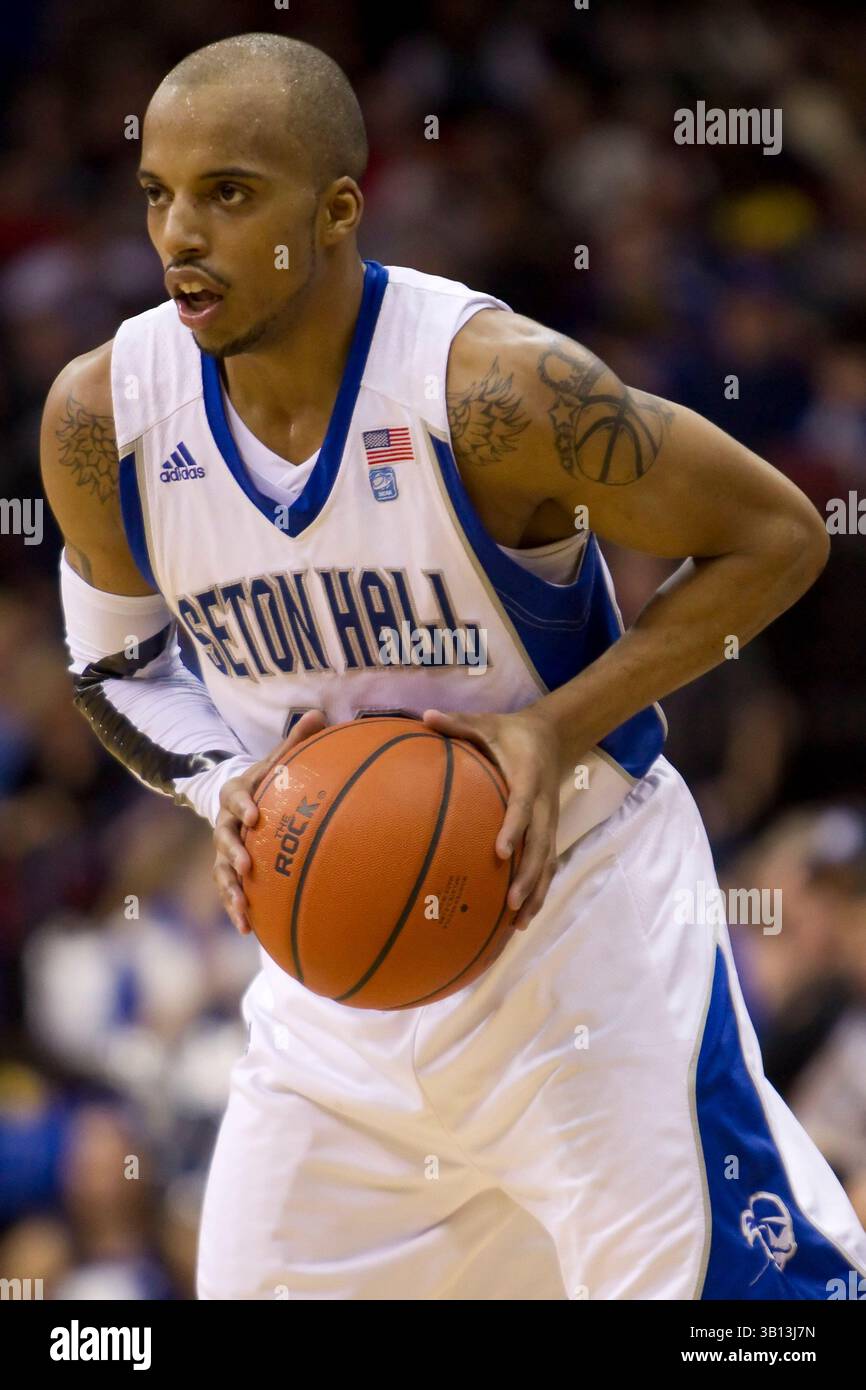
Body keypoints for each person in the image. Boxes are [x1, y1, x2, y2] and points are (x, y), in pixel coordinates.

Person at [40, 32, 866, 1299]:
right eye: (158, 193)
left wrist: (555, 724)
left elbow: (775, 537)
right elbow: (112, 668)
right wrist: (223, 790)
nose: (179, 233)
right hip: (335, 977)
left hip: (572, 929)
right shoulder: (104, 420)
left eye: (229, 192)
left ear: (333, 212)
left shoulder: (489, 391)